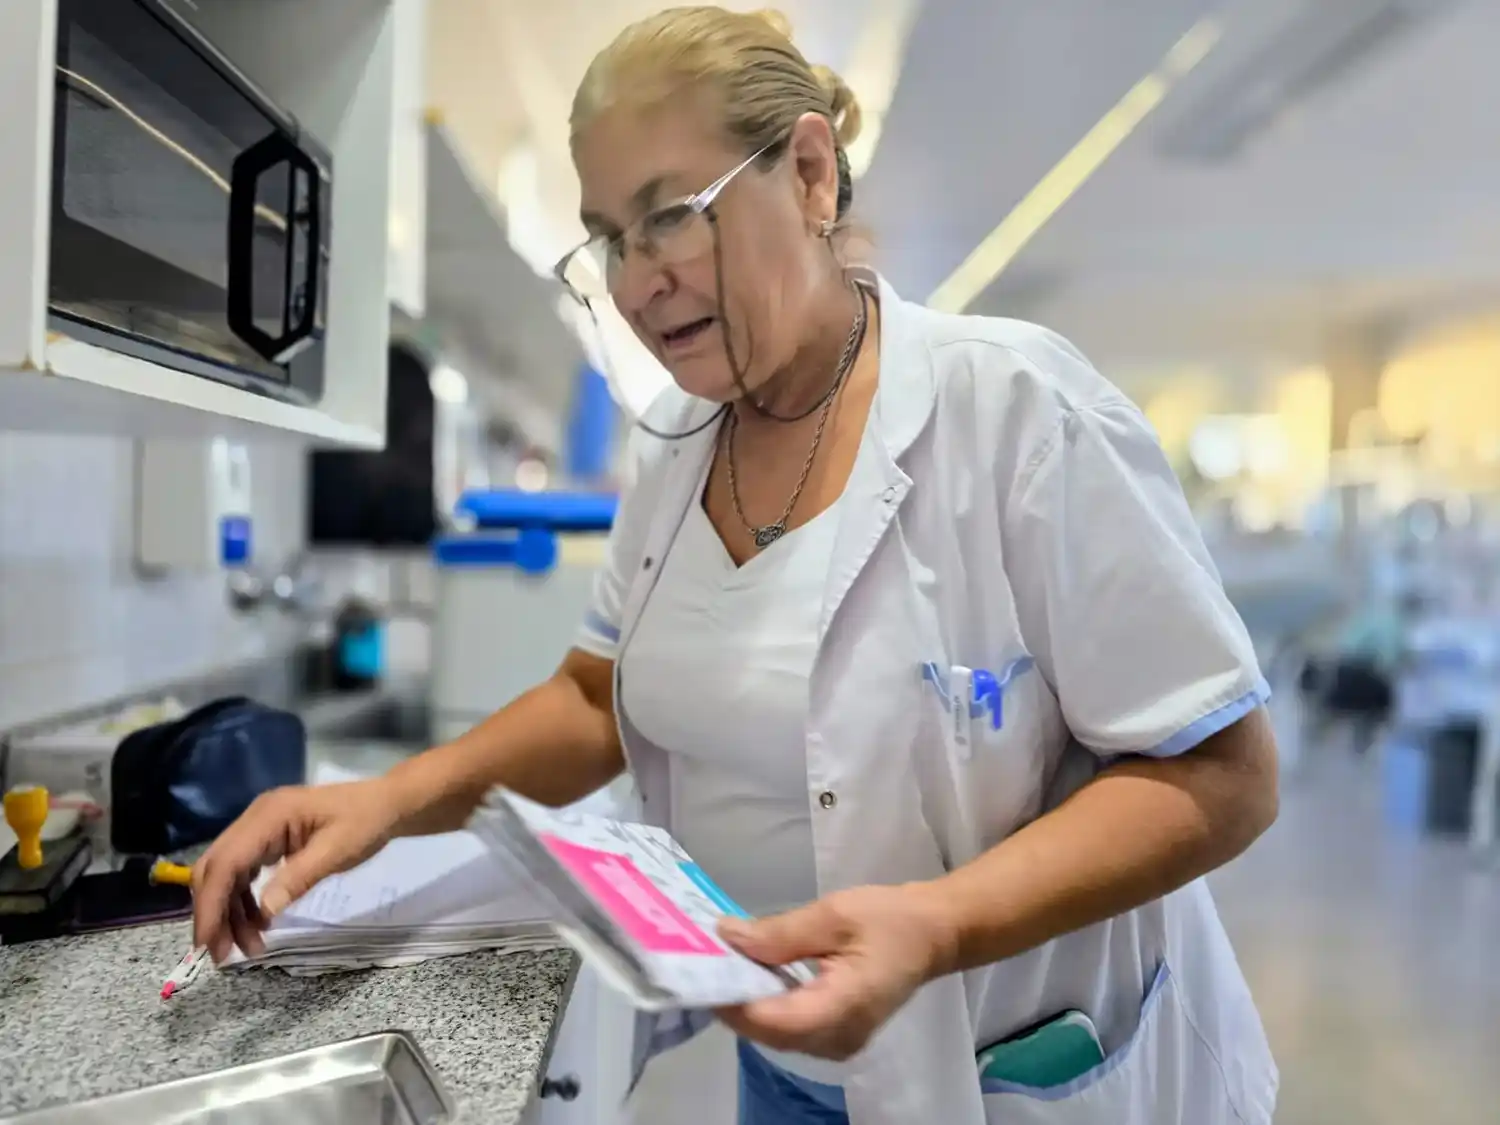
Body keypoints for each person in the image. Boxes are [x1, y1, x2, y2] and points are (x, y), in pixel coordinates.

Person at [193, 8, 1281, 1124]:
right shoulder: (675, 438)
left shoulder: (1017, 413)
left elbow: (1222, 776)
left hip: (1007, 1070)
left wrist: (941, 924)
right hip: (788, 1070)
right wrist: (386, 801)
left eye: (672, 217)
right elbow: (594, 695)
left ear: (811, 175)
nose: (635, 282)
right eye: (611, 237)